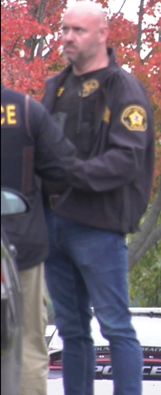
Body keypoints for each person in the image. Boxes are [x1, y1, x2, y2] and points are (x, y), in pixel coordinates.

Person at [40, 2, 155, 394]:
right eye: (64, 29)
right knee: (71, 331)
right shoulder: (55, 86)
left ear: (103, 35)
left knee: (116, 327)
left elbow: (127, 160)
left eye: (78, 30)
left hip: (98, 227)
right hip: (53, 223)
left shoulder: (122, 87)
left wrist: (71, 174)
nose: (68, 37)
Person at [1, 85, 77, 395]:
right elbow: (63, 167)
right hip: (22, 244)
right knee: (29, 342)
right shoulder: (27, 111)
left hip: (23, 246)